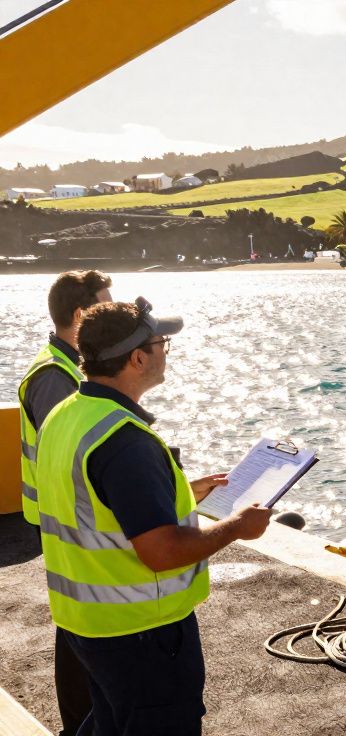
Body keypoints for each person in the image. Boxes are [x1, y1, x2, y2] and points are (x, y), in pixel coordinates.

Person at [34, 297, 274, 735]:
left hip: (86, 624)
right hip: (141, 630)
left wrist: (183, 488)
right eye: (162, 342)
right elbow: (162, 551)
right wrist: (238, 527)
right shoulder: (126, 441)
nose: (166, 351)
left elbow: (92, 500)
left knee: (110, 721)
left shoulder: (66, 415)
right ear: (138, 357)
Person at [16, 270, 112, 736]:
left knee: (78, 621)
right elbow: (72, 451)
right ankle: (78, 725)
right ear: (81, 314)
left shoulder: (62, 365)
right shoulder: (56, 376)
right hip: (66, 518)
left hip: (60, 514)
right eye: (105, 306)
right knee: (78, 628)